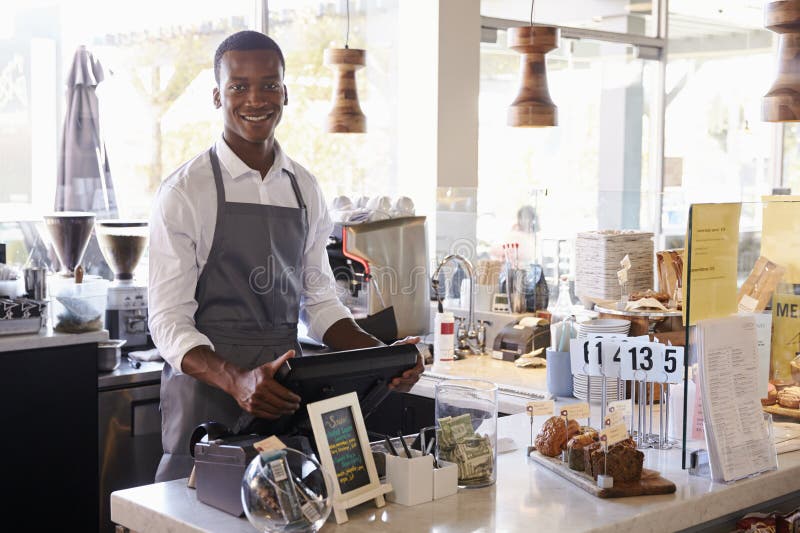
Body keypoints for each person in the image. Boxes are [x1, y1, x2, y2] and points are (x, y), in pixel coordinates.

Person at [148, 30, 423, 482]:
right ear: (218, 96)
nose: (255, 98)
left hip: (283, 398)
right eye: (239, 86)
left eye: (269, 84)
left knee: (283, 512)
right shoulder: (185, 192)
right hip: (207, 397)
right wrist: (237, 380)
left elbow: (319, 304)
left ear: (285, 92)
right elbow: (167, 321)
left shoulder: (304, 188)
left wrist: (387, 358)